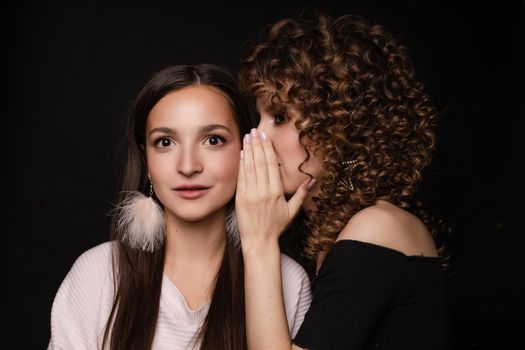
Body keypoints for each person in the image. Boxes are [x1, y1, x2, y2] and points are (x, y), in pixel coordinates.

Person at [48, 63, 312, 350]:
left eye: (213, 140)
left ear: (245, 151)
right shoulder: (98, 274)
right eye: (165, 142)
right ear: (146, 161)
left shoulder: (288, 280)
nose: (188, 166)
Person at [236, 11, 451, 350]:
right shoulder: (321, 234)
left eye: (279, 117)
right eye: (259, 117)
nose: (258, 136)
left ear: (337, 126)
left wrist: (258, 241)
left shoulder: (378, 227)